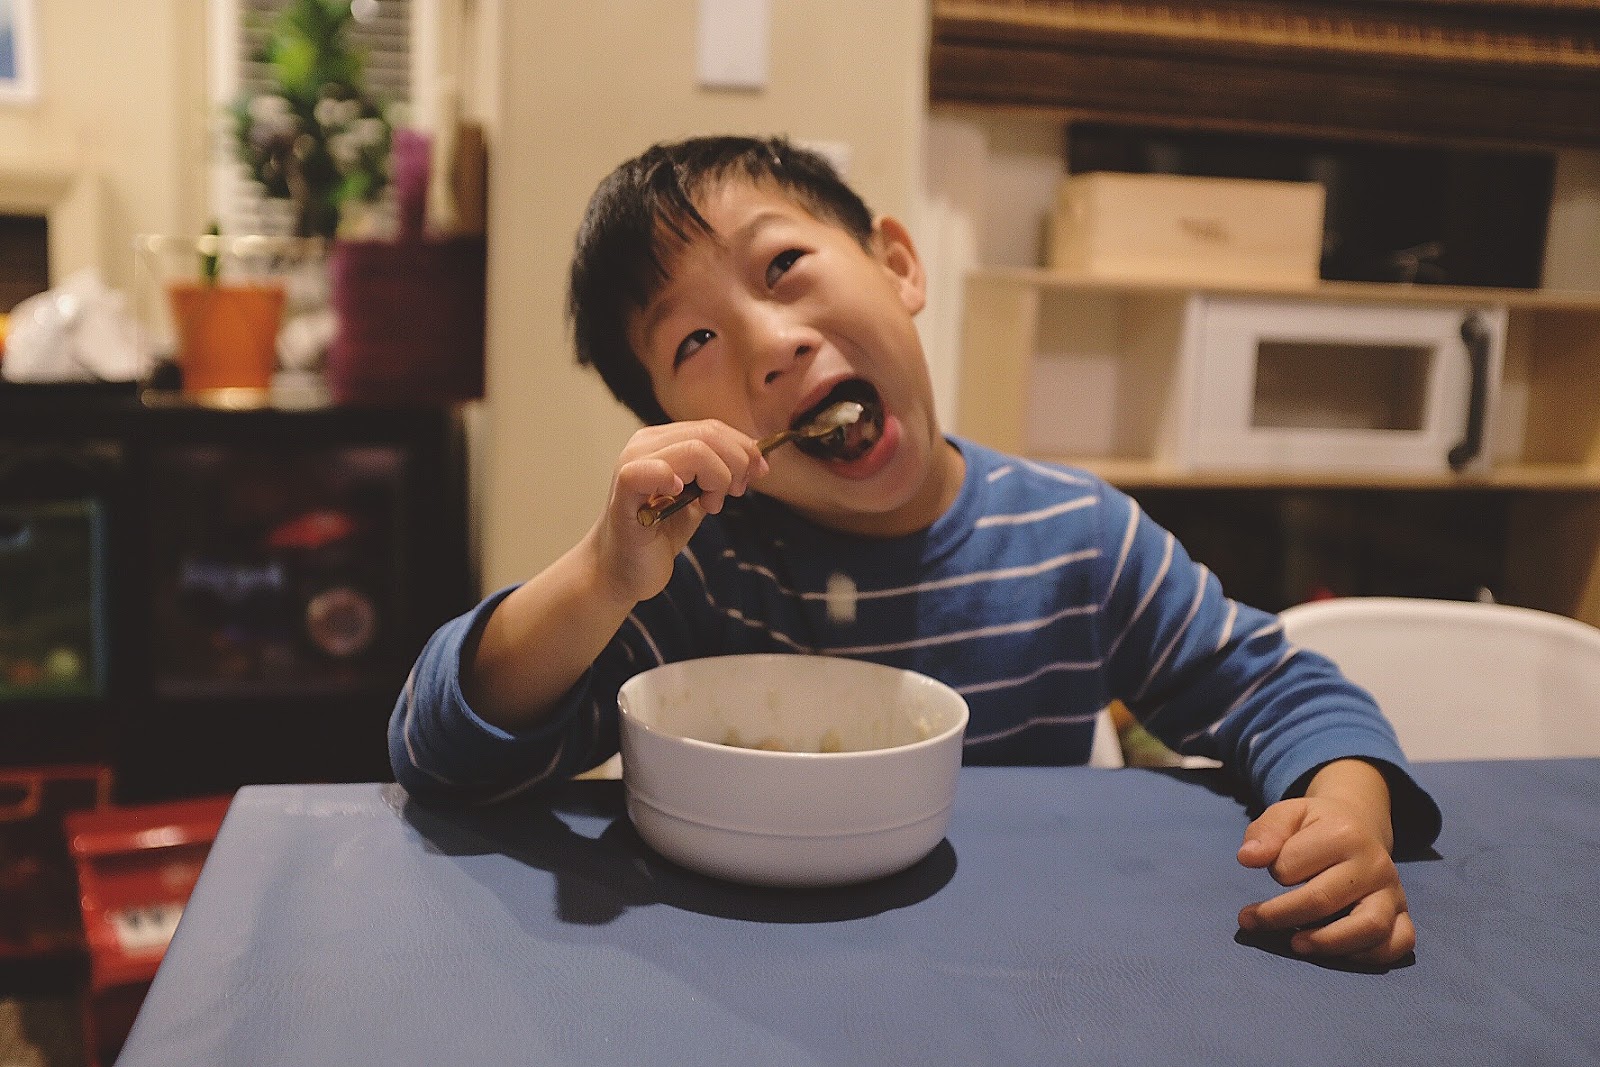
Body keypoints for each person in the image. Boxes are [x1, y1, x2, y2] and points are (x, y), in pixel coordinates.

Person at [390, 134, 1441, 967]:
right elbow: (439, 755)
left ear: (897, 264)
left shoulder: (1078, 537)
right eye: (693, 341)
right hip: (750, 974)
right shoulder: (696, 575)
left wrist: (1346, 808)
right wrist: (600, 574)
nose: (770, 340)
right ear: (665, 413)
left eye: (784, 264)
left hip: (1040, 971)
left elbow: (1284, 692)